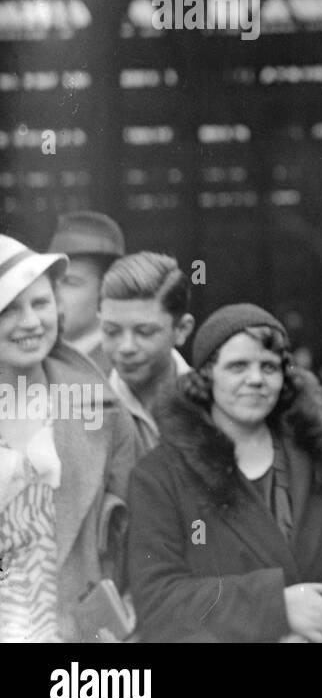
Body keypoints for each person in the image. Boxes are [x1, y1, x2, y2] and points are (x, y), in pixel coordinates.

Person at [126, 304, 322, 642]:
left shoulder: (318, 453)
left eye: (269, 367)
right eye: (238, 366)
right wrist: (277, 608)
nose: (256, 380)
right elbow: (158, 597)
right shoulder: (158, 476)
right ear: (206, 376)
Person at [0, 234, 136, 642]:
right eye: (8, 308)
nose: (30, 323)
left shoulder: (104, 413)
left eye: (40, 303)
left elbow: (144, 542)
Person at [100, 252, 194, 456]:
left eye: (144, 332)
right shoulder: (84, 407)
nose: (126, 347)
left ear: (181, 330)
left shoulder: (217, 404)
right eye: (111, 331)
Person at [47, 211, 125, 380]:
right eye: (51, 281)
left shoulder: (123, 369)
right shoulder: (35, 359)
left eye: (70, 282)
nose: (53, 295)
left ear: (106, 291)